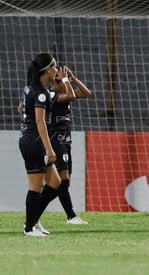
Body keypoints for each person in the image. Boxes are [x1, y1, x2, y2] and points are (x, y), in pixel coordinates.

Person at [18, 53, 66, 236]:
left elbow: (20, 108)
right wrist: (49, 147)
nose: (56, 68)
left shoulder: (30, 88)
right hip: (35, 142)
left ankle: (33, 220)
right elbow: (40, 121)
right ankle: (29, 228)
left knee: (55, 182)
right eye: (54, 66)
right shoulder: (41, 93)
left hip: (29, 139)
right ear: (47, 71)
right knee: (35, 186)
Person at [44, 66, 91, 225]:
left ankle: (35, 211)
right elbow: (72, 95)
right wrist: (64, 80)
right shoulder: (52, 95)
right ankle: (70, 216)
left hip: (65, 141)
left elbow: (86, 93)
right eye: (60, 80)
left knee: (63, 183)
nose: (65, 82)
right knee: (61, 181)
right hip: (55, 141)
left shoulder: (64, 94)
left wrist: (73, 78)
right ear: (54, 82)